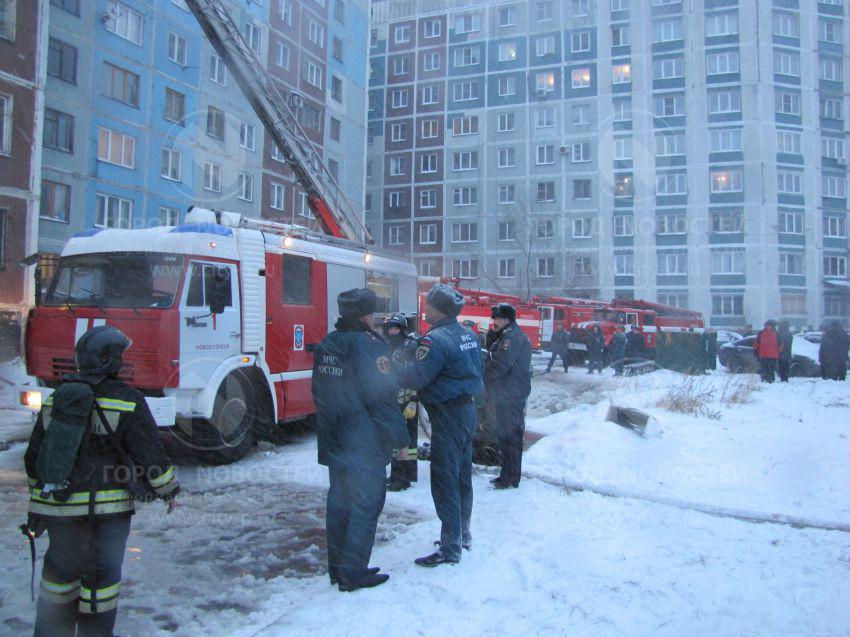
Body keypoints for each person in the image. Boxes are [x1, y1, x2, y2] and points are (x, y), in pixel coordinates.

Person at [24, 325, 179, 637]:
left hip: (60, 509)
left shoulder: (58, 399)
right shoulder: (128, 400)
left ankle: (52, 630)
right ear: (112, 361)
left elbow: (35, 457)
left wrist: (40, 507)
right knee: (101, 580)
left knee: (59, 575)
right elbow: (150, 454)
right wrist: (168, 490)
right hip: (107, 513)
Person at [312, 288, 409, 592]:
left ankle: (338, 569)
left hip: (335, 437)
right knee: (366, 504)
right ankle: (353, 572)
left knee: (339, 504)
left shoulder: (328, 342)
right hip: (363, 443)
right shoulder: (370, 345)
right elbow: (382, 398)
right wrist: (400, 439)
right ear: (366, 315)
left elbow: (319, 391)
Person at [398, 284, 484, 567]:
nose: (425, 309)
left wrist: (402, 360)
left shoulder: (434, 340)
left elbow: (416, 378)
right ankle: (463, 534)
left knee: (445, 481)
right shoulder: (468, 335)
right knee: (462, 477)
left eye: (429, 305)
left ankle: (450, 548)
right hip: (466, 411)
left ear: (438, 310)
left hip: (447, 415)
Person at [485, 303, 532, 489]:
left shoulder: (511, 337)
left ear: (506, 319)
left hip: (511, 394)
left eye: (497, 318)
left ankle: (510, 477)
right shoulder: (506, 335)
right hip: (508, 392)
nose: (494, 321)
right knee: (506, 435)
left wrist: (484, 377)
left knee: (510, 436)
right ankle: (508, 474)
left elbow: (500, 365)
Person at [382, 312, 419, 492]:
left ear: (402, 329)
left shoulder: (410, 346)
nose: (392, 332)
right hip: (393, 399)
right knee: (398, 439)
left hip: (408, 400)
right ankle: (400, 474)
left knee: (406, 440)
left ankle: (403, 477)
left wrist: (414, 400)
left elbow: (416, 374)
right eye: (390, 328)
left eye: (396, 328)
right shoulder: (387, 346)